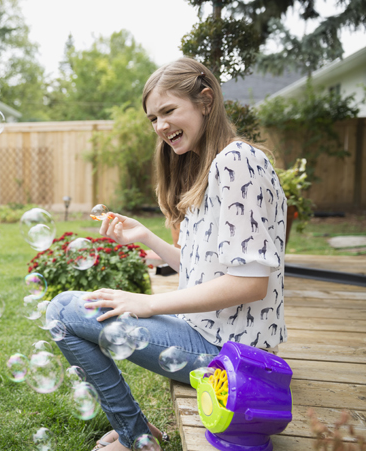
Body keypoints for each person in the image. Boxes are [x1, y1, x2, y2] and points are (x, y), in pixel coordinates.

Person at [46, 57, 288, 451]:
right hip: (208, 336)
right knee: (66, 310)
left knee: (61, 312)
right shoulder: (211, 166)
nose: (159, 127)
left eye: (168, 111)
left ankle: (137, 437)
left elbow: (250, 283)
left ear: (206, 101)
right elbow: (207, 269)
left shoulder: (236, 162)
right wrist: (148, 240)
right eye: (153, 119)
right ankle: (137, 433)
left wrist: (147, 304)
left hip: (229, 356)